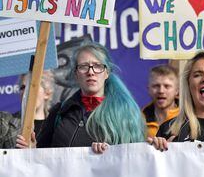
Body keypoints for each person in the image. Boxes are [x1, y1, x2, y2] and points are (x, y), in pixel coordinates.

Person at [16, 42, 146, 153]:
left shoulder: (125, 113)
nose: (91, 72)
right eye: (84, 67)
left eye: (97, 66)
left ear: (107, 73)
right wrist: (32, 151)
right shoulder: (60, 112)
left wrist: (108, 154)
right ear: (76, 74)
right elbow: (43, 160)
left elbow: (134, 160)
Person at [143, 65, 179, 137]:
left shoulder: (187, 118)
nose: (161, 91)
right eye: (156, 86)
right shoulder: (139, 121)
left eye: (167, 86)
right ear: (148, 89)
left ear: (177, 91)